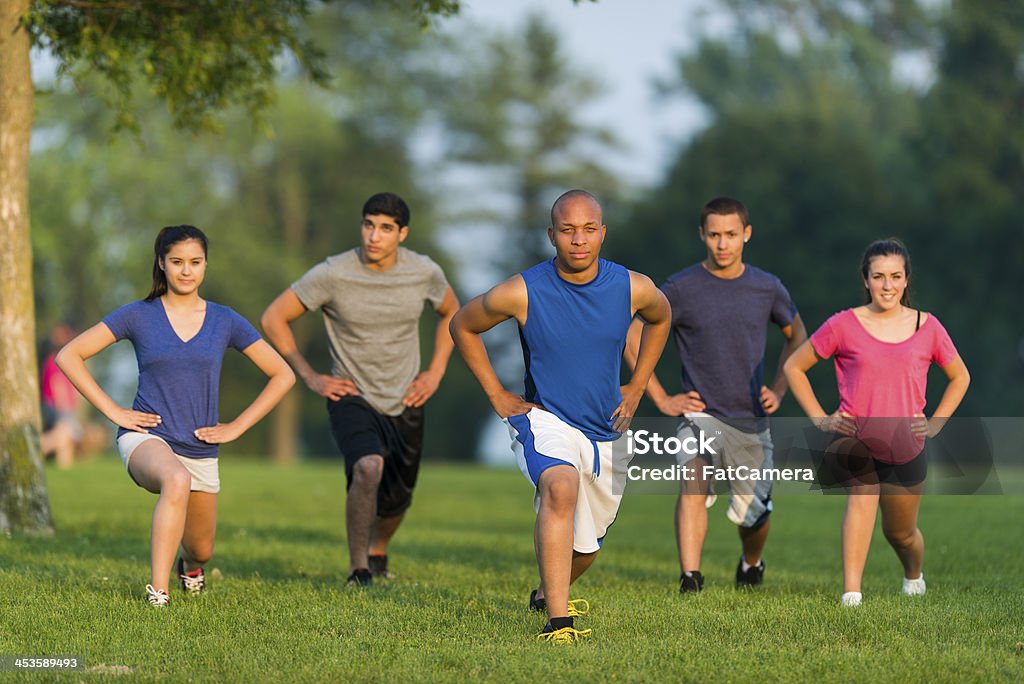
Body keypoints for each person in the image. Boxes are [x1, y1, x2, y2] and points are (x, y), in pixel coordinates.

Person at [450, 189, 670, 643]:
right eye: (567, 230)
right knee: (559, 487)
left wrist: (638, 383)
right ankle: (559, 623)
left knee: (586, 549)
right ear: (552, 235)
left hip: (608, 431)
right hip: (546, 420)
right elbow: (462, 324)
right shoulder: (522, 290)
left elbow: (661, 318)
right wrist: (495, 393)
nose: (578, 240)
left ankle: (546, 592)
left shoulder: (633, 287)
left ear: (602, 234)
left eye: (589, 229)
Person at [56, 225, 295, 607]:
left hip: (200, 446)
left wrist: (236, 426)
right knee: (175, 478)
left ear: (205, 266)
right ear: (161, 264)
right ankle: (158, 591)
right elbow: (69, 355)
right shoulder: (137, 315)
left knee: (202, 547)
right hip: (146, 438)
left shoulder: (225, 321)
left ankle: (191, 566)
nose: (187, 271)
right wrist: (113, 411)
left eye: (195, 262)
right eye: (177, 262)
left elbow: (283, 374)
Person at [260, 192, 459, 587]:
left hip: (405, 396)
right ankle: (358, 569)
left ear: (402, 233)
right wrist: (309, 375)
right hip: (350, 393)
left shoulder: (424, 272)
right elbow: (273, 318)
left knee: (398, 497)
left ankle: (378, 549)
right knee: (368, 467)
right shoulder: (333, 273)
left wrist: (435, 372)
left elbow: (453, 312)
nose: (374, 236)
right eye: (369, 224)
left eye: (385, 228)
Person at [625, 196, 806, 594]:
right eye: (714, 235)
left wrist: (779, 388)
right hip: (699, 413)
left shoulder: (767, 287)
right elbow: (633, 334)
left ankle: (751, 562)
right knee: (693, 482)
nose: (722, 244)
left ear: (747, 235)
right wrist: (658, 395)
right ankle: (690, 578)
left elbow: (798, 338)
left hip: (750, 419)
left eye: (731, 235)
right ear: (702, 236)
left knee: (751, 516)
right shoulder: (681, 288)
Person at [783, 239, 970, 606]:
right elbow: (795, 366)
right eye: (879, 276)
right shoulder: (843, 324)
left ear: (906, 280)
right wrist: (821, 418)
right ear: (866, 280)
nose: (887, 285)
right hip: (855, 438)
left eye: (895, 277)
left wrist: (935, 424)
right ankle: (852, 594)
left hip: (907, 445)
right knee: (861, 496)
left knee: (900, 533)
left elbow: (960, 376)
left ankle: (913, 574)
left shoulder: (928, 327)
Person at [40, 323, 83, 469]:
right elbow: (57, 386)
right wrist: (65, 410)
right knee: (61, 436)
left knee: (66, 440)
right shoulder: (55, 361)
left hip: (61, 407)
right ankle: (32, 450)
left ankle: (65, 469)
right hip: (57, 407)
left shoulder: (56, 360)